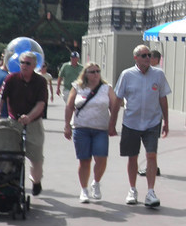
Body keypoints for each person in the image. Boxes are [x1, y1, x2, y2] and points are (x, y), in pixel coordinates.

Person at [109, 45, 171, 208]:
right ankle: (132, 189)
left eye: (149, 55)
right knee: (133, 157)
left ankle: (150, 192)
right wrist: (112, 123)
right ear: (136, 58)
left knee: (151, 156)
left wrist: (166, 121)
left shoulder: (158, 74)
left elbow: (163, 98)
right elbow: (117, 99)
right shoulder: (127, 75)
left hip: (152, 122)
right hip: (131, 123)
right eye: (144, 55)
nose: (147, 58)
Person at [0, 51, 49, 196]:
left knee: (36, 158)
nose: (24, 65)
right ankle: (9, 182)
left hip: (34, 123)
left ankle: (36, 181)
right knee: (9, 155)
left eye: (27, 63)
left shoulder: (40, 81)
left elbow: (41, 104)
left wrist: (29, 117)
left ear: (35, 65)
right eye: (22, 62)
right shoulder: (11, 78)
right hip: (14, 122)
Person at [64, 62, 115, 203]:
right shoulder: (78, 87)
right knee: (84, 160)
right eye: (92, 72)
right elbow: (69, 106)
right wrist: (67, 126)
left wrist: (112, 125)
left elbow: (114, 107)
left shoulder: (106, 88)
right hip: (81, 128)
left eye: (98, 71)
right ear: (85, 74)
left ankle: (96, 182)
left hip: (101, 129)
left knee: (101, 158)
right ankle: (84, 189)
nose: (96, 74)